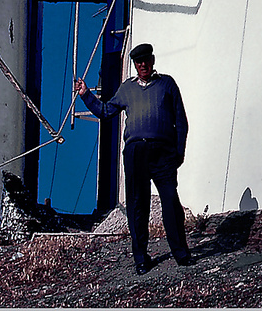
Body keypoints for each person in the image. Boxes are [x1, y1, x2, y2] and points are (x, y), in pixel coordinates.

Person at [74, 42, 191, 273]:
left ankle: (181, 253)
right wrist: (86, 95)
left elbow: (181, 121)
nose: (143, 65)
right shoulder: (127, 88)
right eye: (139, 62)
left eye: (146, 60)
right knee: (138, 204)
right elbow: (106, 111)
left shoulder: (167, 84)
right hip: (136, 152)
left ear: (152, 60)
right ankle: (141, 258)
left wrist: (178, 153)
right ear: (135, 65)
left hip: (163, 152)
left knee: (170, 201)